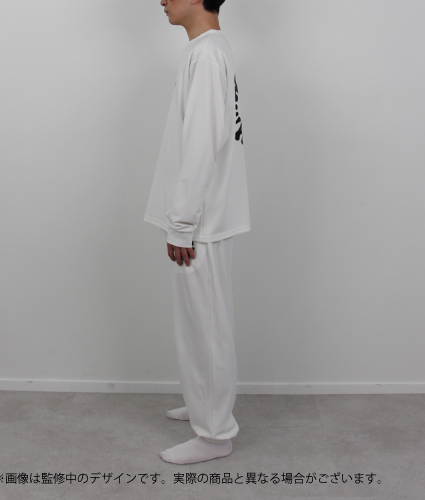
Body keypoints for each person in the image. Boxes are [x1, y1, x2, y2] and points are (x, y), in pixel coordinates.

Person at [143, 0, 251, 464]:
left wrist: (183, 224)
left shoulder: (207, 54)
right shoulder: (207, 49)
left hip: (202, 220)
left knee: (206, 328)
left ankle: (214, 434)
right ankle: (204, 402)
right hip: (202, 216)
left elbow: (203, 144)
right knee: (199, 324)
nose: (161, 1)